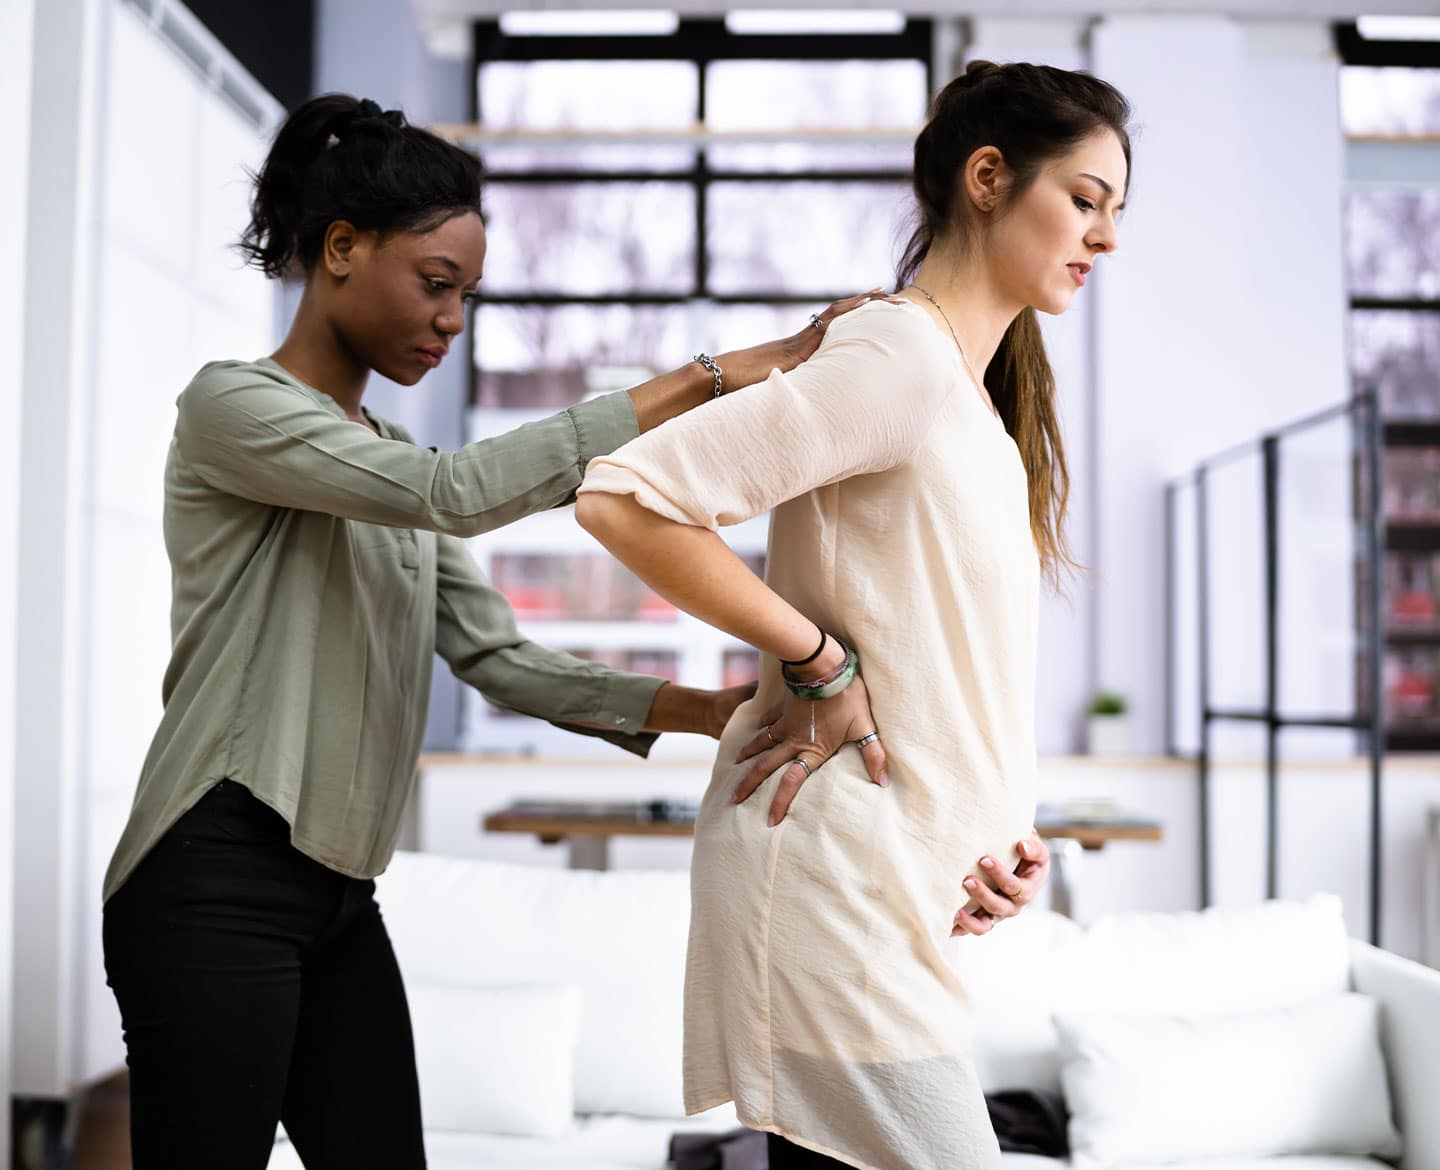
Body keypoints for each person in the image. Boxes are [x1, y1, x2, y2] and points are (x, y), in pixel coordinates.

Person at [98, 93, 1049, 1170]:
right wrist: (716, 372)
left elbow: (499, 657)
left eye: (469, 295)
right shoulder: (236, 410)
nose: (452, 320)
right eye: (435, 283)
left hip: (337, 895)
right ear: (343, 249)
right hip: (214, 870)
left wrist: (727, 710)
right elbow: (453, 490)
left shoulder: (379, 458)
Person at [576, 60, 1131, 1169]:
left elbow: (946, 663)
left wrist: (1002, 840)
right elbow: (627, 498)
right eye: (1085, 198)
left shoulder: (964, 399)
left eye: (1115, 211)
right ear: (988, 177)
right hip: (830, 884)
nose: (1105, 238)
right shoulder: (898, 356)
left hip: (893, 895)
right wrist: (819, 664)